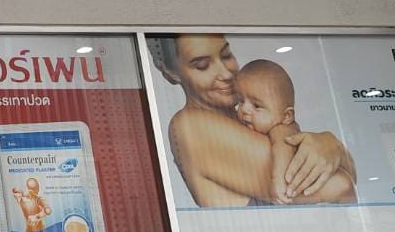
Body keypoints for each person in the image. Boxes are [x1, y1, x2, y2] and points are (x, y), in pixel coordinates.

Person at [147, 34, 356, 207]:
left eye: (226, 55)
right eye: (202, 65)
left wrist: (329, 144)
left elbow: (352, 179)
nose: (226, 74)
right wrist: (331, 151)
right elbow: (341, 185)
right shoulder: (193, 127)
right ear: (172, 72)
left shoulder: (247, 120)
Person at [234, 59, 355, 205]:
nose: (244, 109)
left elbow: (282, 144)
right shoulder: (247, 128)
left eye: (257, 106)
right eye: (240, 101)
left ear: (286, 116)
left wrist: (279, 180)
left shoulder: (284, 130)